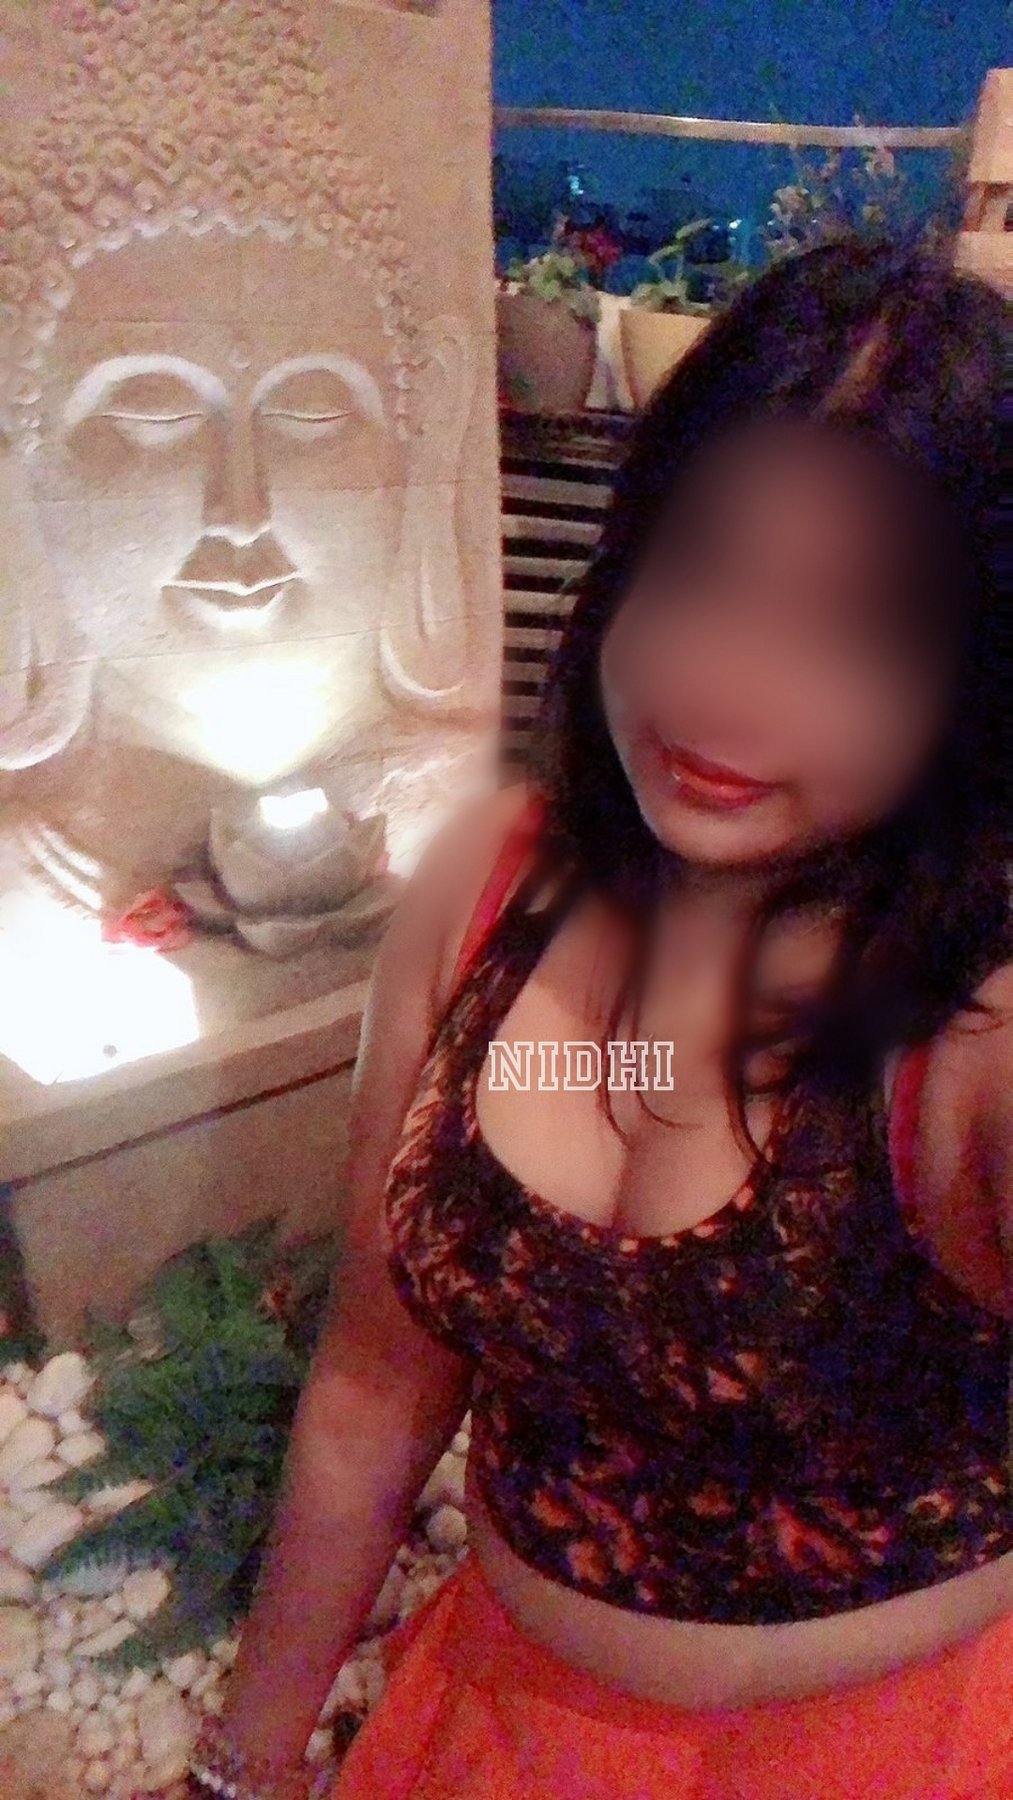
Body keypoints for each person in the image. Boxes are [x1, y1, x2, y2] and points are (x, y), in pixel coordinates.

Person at [185, 236, 1012, 1800]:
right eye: (702, 569)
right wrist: (247, 1759)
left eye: (851, 630)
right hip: (493, 1723)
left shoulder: (969, 1044)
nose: (724, 684)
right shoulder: (492, 893)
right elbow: (372, 1388)